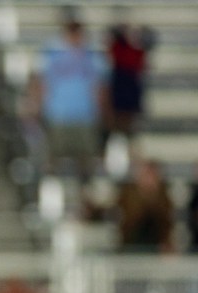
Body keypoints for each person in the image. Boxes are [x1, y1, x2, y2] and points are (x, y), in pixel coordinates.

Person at [39, 18, 108, 181]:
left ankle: (85, 193)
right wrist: (37, 106)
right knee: (54, 156)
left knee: (85, 159)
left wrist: (103, 111)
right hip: (58, 113)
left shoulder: (92, 56)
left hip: (85, 114)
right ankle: (51, 189)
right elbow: (41, 83)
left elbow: (100, 87)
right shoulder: (52, 55)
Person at [107, 22, 156, 138]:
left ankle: (127, 137)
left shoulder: (136, 51)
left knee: (129, 120)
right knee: (119, 118)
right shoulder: (119, 48)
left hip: (130, 86)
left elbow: (142, 63)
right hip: (121, 85)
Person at [116, 158, 175, 254]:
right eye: (146, 175)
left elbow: (166, 225)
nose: (149, 180)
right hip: (131, 246)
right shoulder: (127, 196)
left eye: (152, 175)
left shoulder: (164, 199)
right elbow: (128, 223)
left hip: (156, 248)